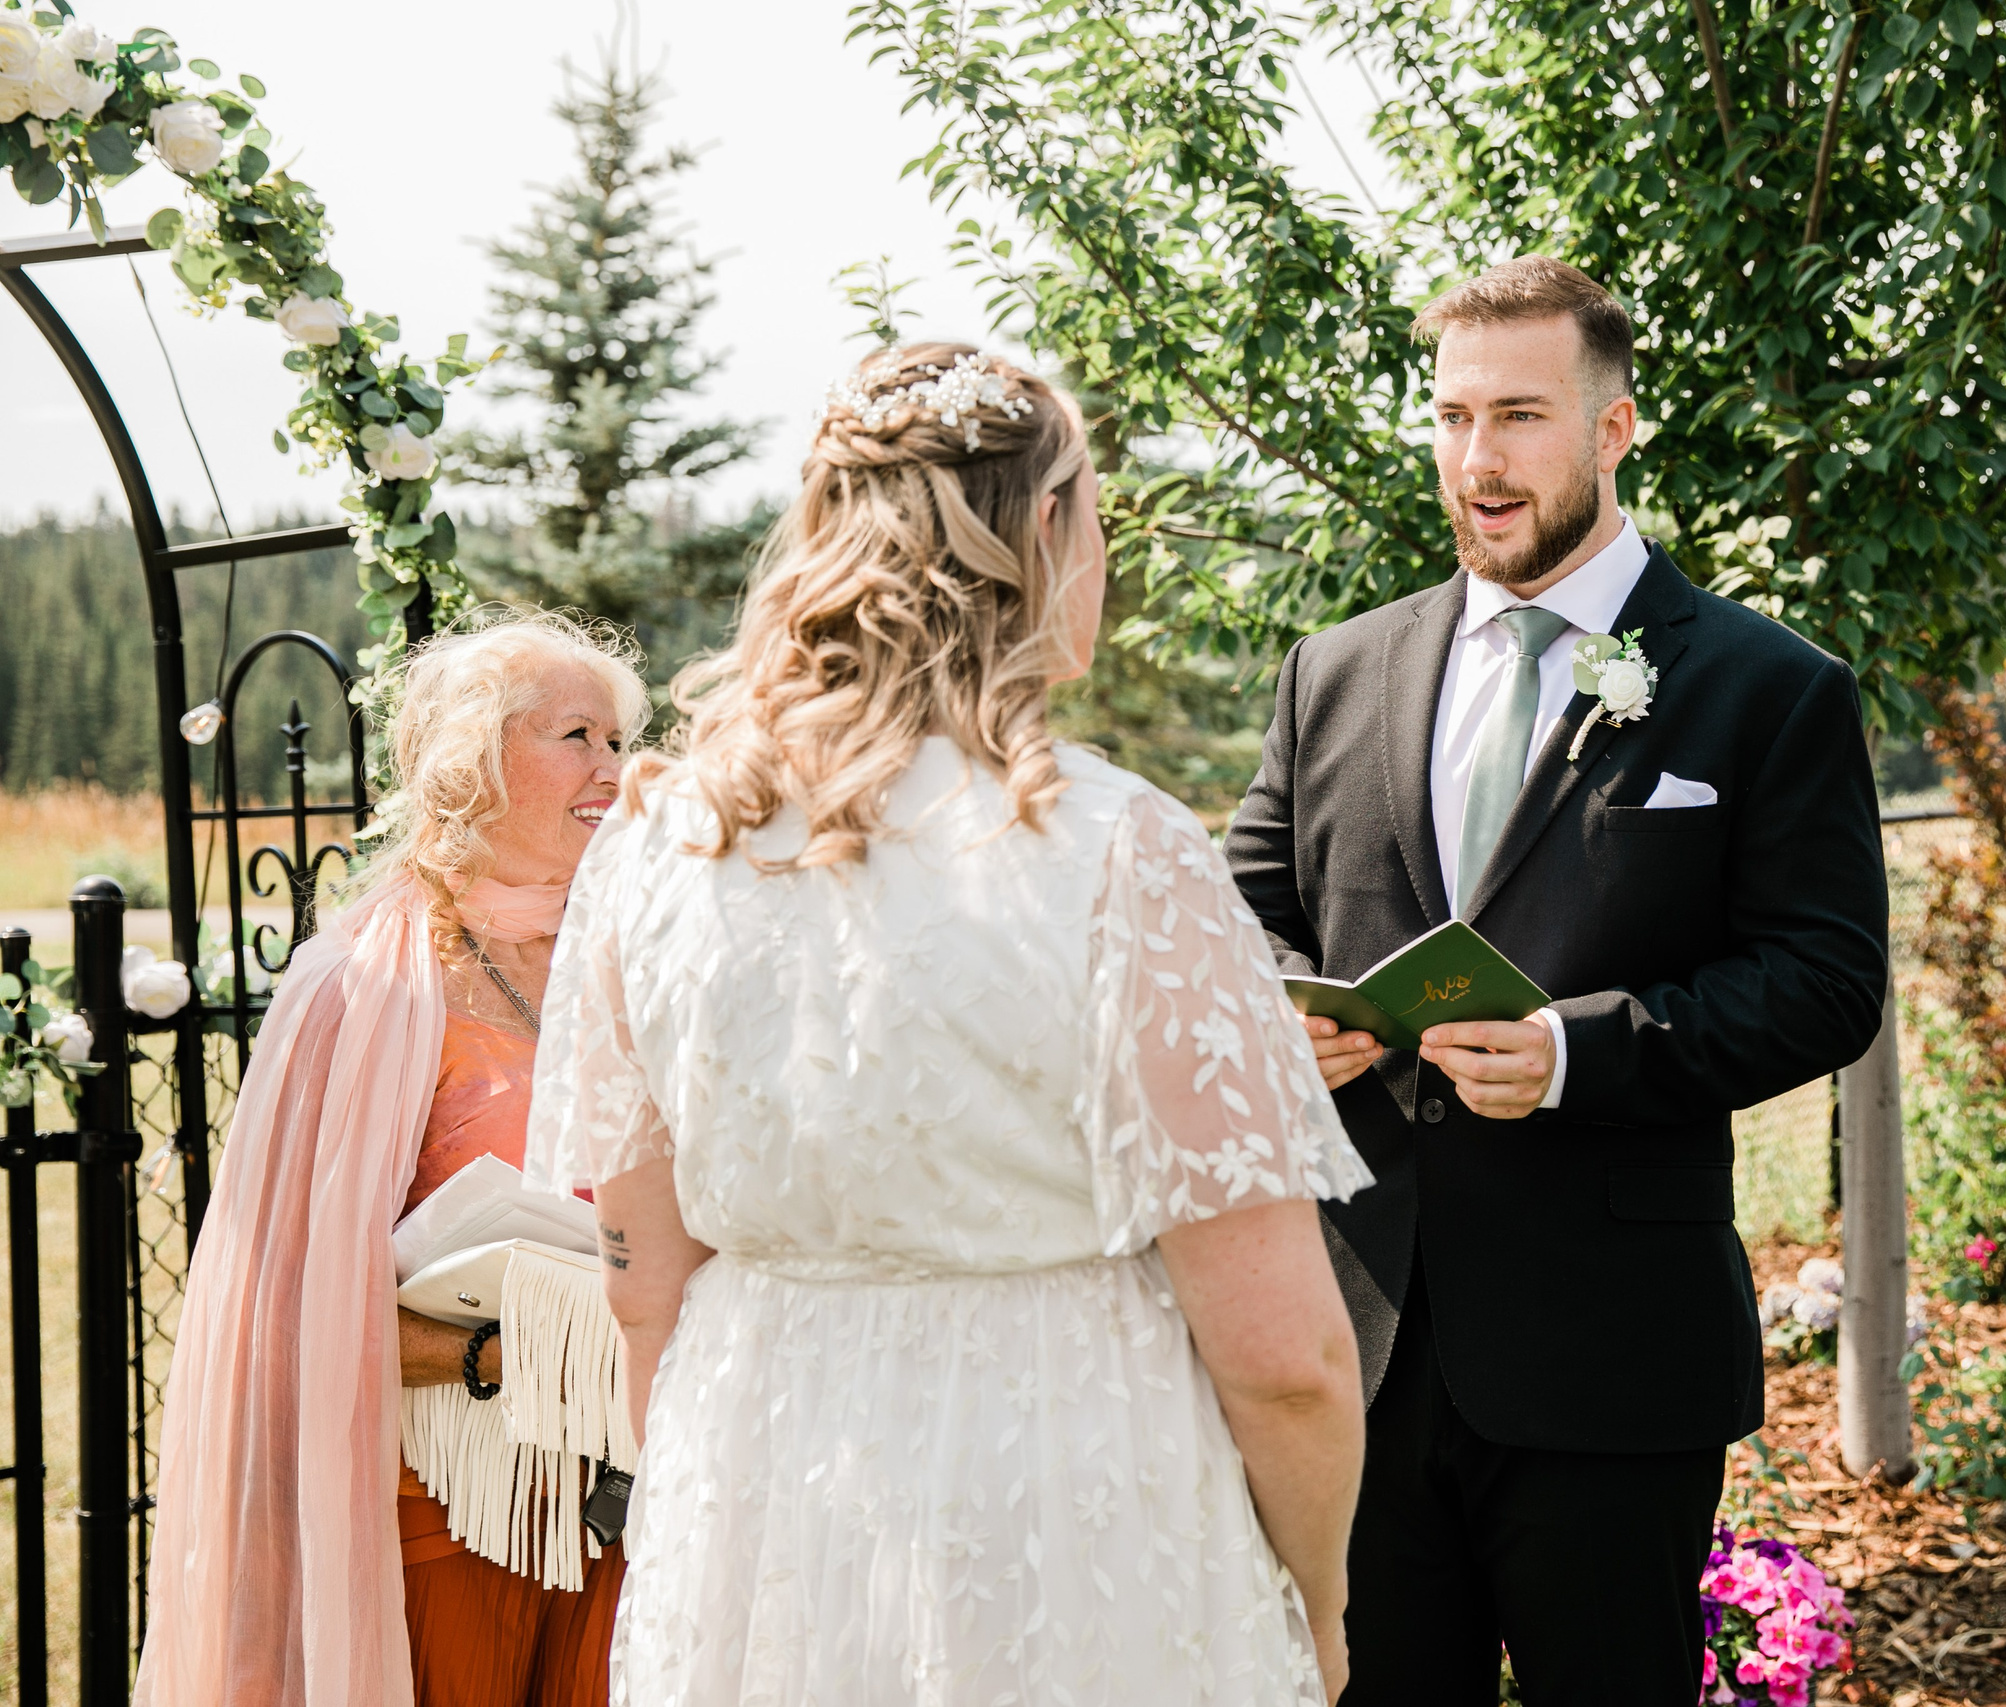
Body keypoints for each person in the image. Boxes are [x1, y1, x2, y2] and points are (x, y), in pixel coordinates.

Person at [522, 343, 1371, 1706]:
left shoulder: (657, 847)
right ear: (1046, 529)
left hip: (763, 1491)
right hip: (1071, 1508)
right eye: (1092, 514)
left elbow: (642, 1287)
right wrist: (1315, 1606)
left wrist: (706, 1551)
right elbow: (1287, 1361)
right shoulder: (1120, 848)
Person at [1221, 256, 1893, 1704]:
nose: (1478, 458)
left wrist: (1580, 1053)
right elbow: (1242, 912)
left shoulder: (1769, 687)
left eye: (1519, 416)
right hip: (1356, 1339)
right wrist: (1282, 1013)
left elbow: (1828, 978)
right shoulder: (1333, 671)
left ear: (1613, 428)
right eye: (1452, 416)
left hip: (1612, 1352)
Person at [137, 611, 653, 1707]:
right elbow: (286, 1304)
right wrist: (503, 1356)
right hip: (442, 1505)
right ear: (471, 762)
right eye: (577, 736)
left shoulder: (638, 959)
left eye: (618, 740)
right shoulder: (360, 987)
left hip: (633, 1491)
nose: (613, 769)